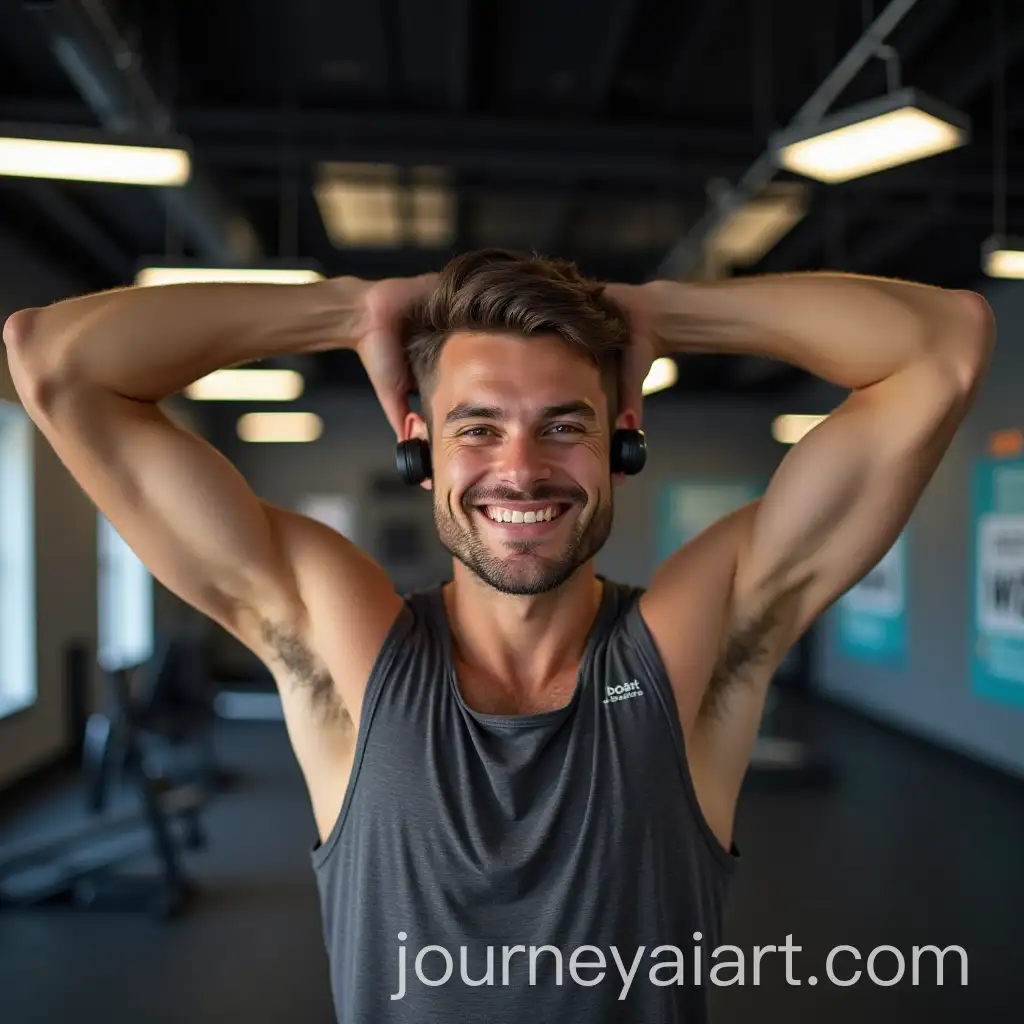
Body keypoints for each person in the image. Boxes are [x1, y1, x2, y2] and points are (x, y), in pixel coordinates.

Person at [3, 249, 993, 1021]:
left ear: (621, 434)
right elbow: (54, 359)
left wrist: (659, 311)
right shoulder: (343, 646)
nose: (520, 469)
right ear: (417, 442)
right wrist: (352, 311)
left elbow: (942, 344)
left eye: (564, 424)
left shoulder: (696, 643)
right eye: (477, 426)